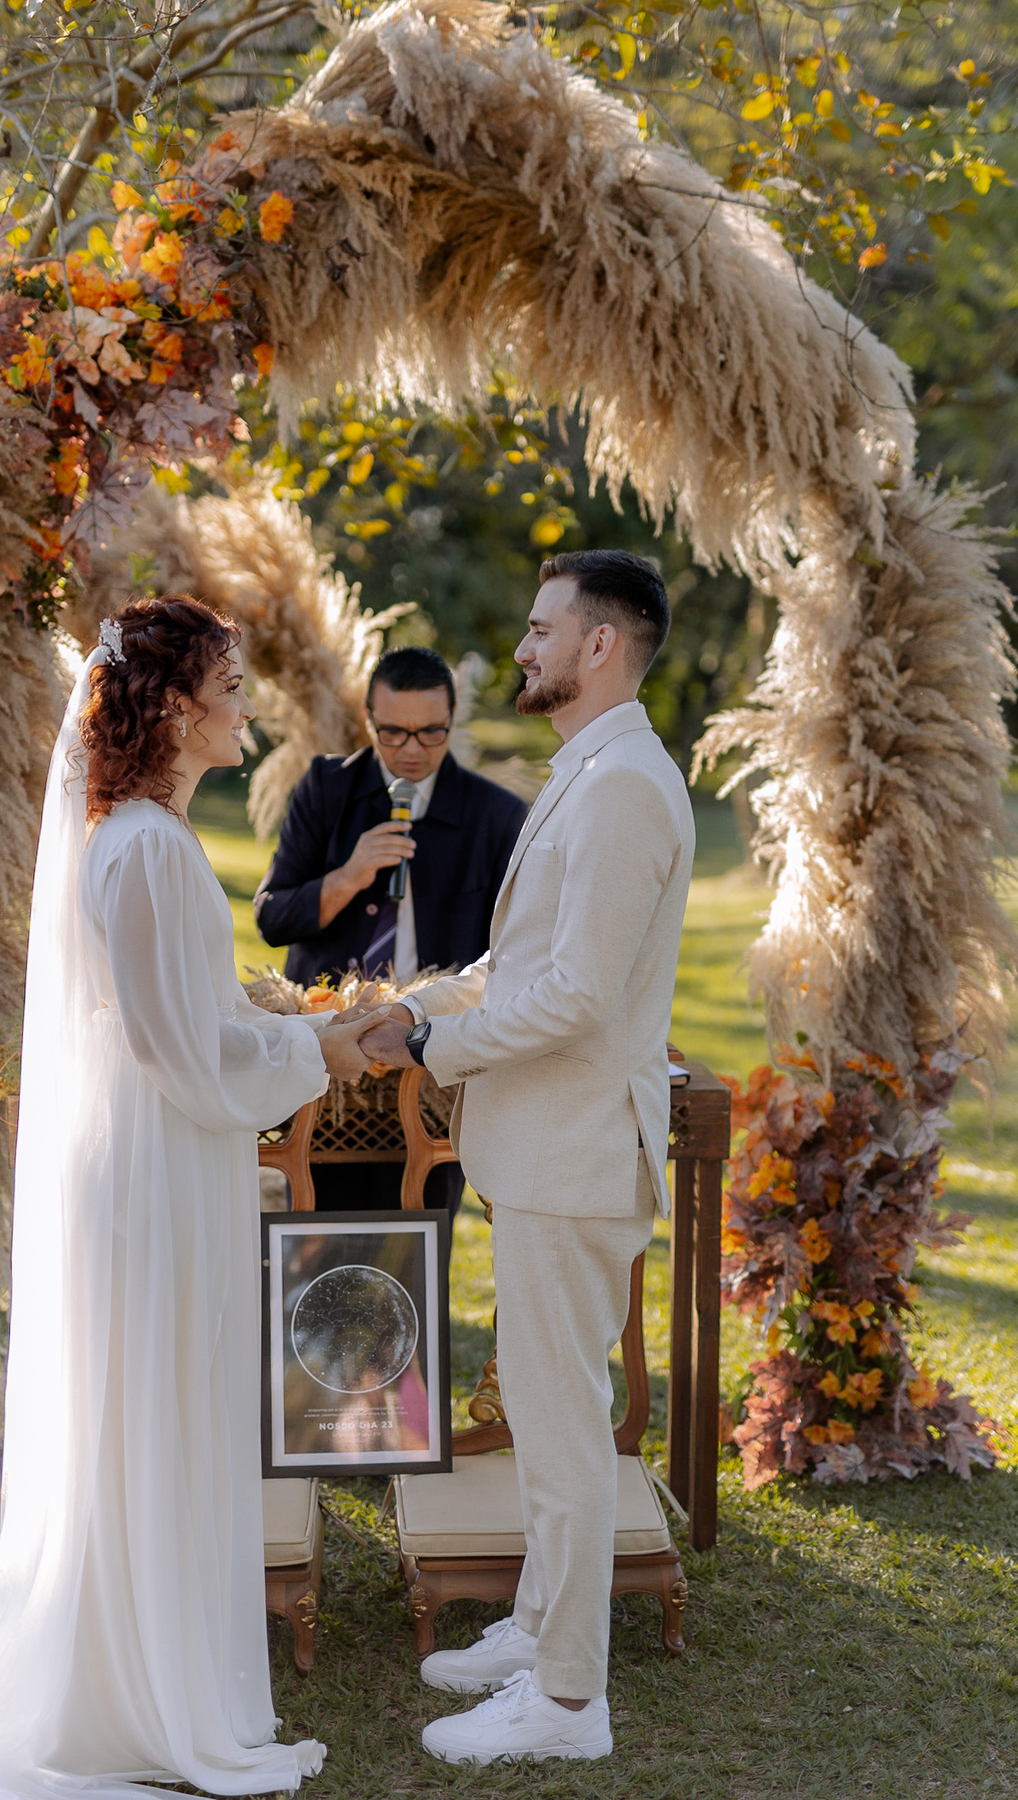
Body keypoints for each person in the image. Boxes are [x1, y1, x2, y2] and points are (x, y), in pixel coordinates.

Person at [0, 596, 371, 1800]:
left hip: (163, 1155)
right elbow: (171, 1050)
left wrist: (268, 1021)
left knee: (160, 1407)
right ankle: (143, 1704)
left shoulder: (146, 837)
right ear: (173, 707)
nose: (244, 704)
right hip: (152, 1166)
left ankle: (148, 1677)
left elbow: (175, 1020)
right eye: (228, 684)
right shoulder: (143, 846)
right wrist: (325, 1054)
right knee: (153, 1409)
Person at [355, 551, 695, 1766]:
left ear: (601, 645)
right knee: (557, 1416)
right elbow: (524, 961)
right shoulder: (590, 773)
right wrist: (424, 998)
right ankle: (540, 1629)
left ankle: (564, 1704)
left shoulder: (622, 791)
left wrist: (433, 1042)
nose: (528, 644)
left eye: (545, 627)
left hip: (574, 1157)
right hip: (543, 1154)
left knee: (560, 1433)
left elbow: (579, 1001)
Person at [254, 645, 527, 1215]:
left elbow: (510, 953)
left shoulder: (494, 815)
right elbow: (273, 917)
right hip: (332, 1048)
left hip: (434, 1061)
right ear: (369, 719)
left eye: (431, 733)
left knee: (424, 1227)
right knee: (323, 1224)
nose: (411, 751)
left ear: (452, 721)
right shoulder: (328, 789)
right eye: (393, 733)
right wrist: (348, 877)